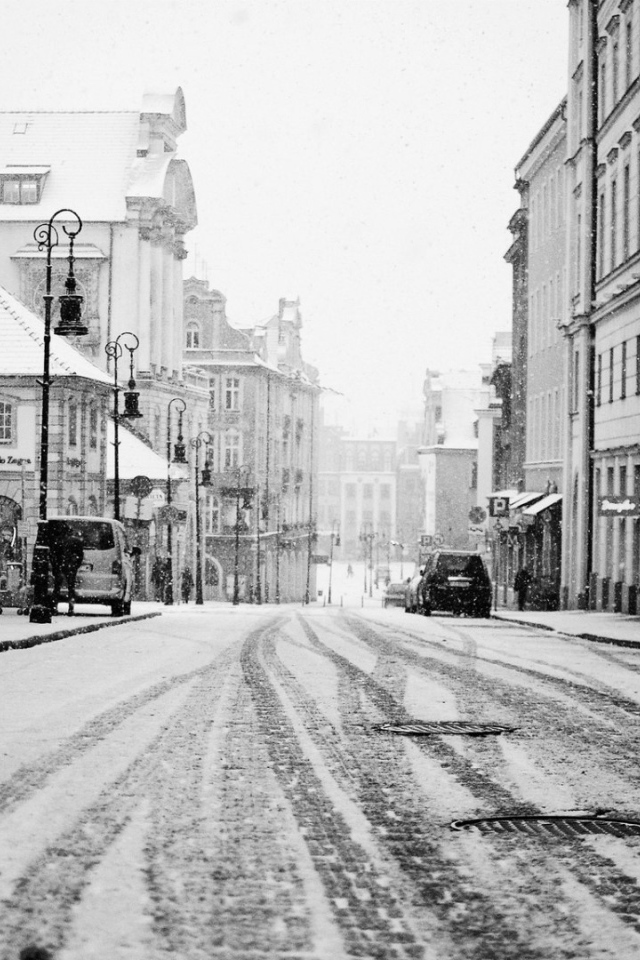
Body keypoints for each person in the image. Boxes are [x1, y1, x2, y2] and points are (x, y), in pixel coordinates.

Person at [50, 526, 84, 616]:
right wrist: (75, 565)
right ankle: (70, 608)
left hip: (60, 566)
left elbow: (53, 555)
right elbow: (80, 555)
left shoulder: (57, 541)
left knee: (57, 588)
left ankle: (54, 607)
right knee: (71, 588)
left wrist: (56, 567)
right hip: (70, 567)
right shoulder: (76, 542)